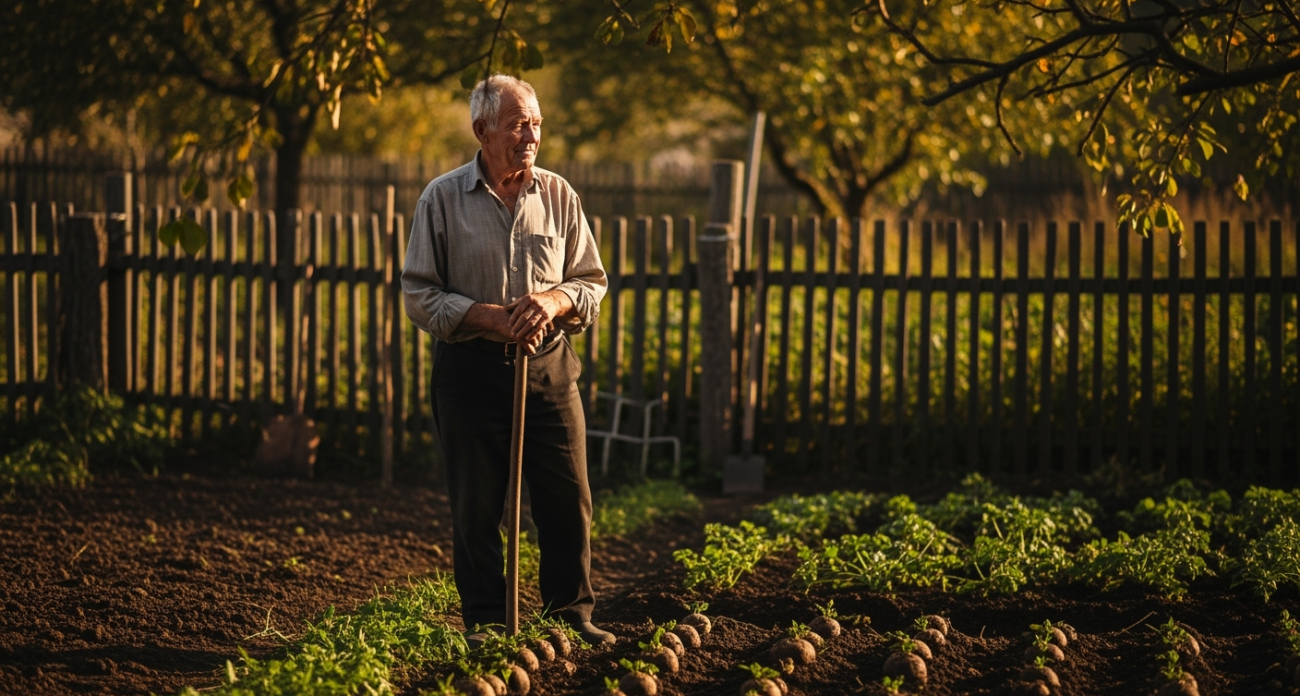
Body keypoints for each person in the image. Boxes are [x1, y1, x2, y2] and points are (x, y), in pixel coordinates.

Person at [401, 75, 613, 645]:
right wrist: (491, 316)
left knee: (568, 499)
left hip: (548, 366)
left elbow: (591, 281)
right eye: (520, 123)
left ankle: (570, 615)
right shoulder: (442, 198)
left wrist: (553, 299)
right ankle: (488, 625)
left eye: (537, 123)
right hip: (470, 372)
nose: (532, 135)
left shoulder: (559, 194)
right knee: (477, 508)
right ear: (483, 129)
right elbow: (419, 295)